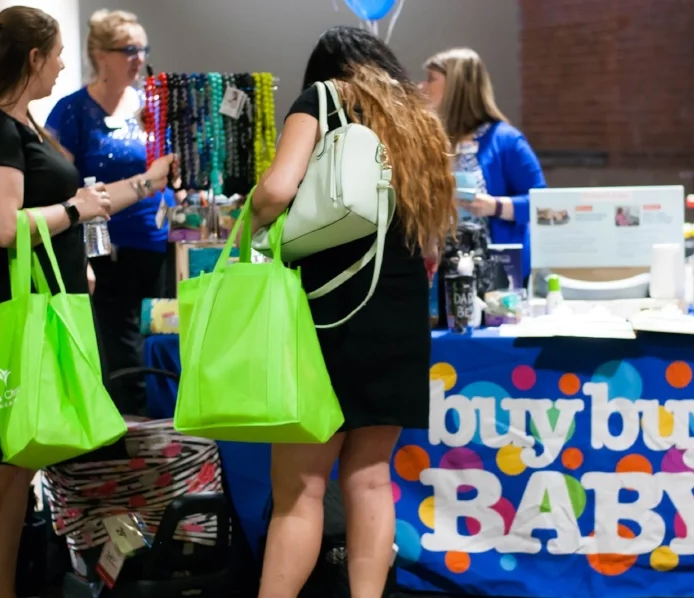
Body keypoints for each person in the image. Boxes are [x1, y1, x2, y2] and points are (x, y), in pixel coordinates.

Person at [0, 7, 172, 597]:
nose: (64, 64)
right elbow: (5, 227)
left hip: (36, 315)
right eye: (57, 53)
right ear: (33, 58)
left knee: (15, 465)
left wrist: (147, 183)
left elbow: (85, 201)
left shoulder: (25, 127)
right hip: (3, 320)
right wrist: (74, 211)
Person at [250, 26, 455, 598]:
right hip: (400, 309)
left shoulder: (322, 98)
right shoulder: (414, 119)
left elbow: (277, 189)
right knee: (369, 478)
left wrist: (249, 222)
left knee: (301, 486)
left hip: (332, 311)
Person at [46, 9, 175, 415]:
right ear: (101, 54)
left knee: (155, 343)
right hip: (100, 251)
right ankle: (122, 451)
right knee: (117, 354)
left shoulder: (151, 108)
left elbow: (167, 166)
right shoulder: (72, 112)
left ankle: (160, 443)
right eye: (129, 49)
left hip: (155, 246)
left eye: (143, 49)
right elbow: (57, 186)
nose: (139, 58)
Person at [422, 47, 546, 285]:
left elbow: (543, 205)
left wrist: (495, 206)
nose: (422, 86)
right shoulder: (432, 140)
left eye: (431, 79)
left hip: (496, 273)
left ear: (456, 87)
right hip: (441, 270)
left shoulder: (506, 141)